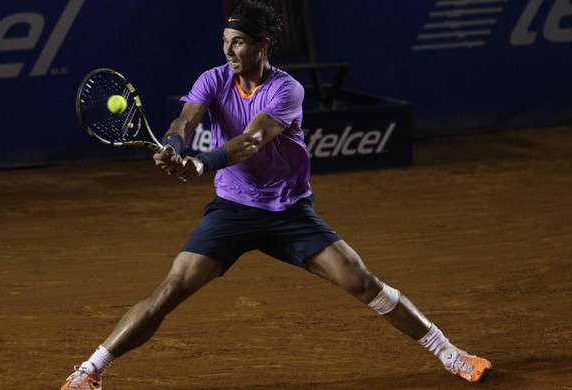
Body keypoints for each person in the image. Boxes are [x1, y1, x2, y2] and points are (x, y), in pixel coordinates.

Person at [60, 1, 493, 388]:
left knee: (363, 283)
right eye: (226, 42)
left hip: (289, 211)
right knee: (170, 289)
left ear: (263, 46)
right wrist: (174, 147)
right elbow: (184, 120)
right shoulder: (213, 79)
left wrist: (200, 163)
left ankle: (451, 354)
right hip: (233, 209)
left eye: (240, 43)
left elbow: (251, 140)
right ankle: (89, 371)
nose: (229, 51)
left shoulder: (286, 89)